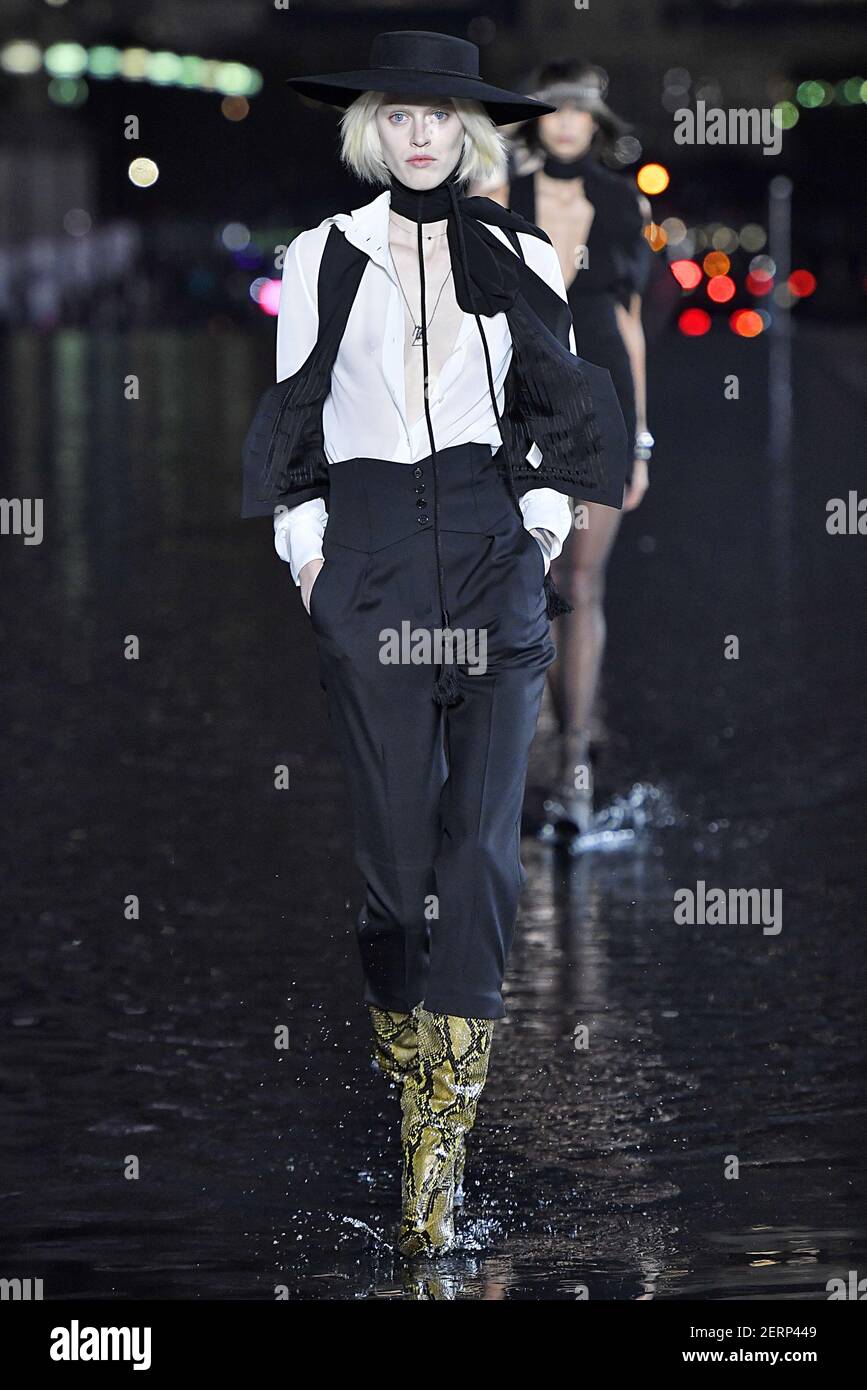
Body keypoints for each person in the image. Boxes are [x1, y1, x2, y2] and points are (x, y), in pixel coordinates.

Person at [240, 31, 627, 1257]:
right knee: (391, 876)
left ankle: (436, 1162)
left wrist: (543, 518)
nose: (419, 135)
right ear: (372, 128)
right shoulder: (321, 255)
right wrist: (309, 559)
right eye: (398, 115)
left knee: (481, 859)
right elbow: (295, 407)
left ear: (469, 132)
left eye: (440, 117)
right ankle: (418, 1093)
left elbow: (560, 396)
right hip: (367, 558)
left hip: (489, 550)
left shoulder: (515, 250)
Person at [479, 60, 654, 837]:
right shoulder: (499, 198)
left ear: (596, 121)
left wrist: (641, 441)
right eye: (552, 108)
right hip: (522, 405)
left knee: (580, 582)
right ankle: (529, 748)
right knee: (530, 581)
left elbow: (627, 322)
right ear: (536, 119)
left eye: (580, 109)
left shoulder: (622, 202)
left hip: (604, 406)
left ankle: (575, 757)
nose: (565, 122)